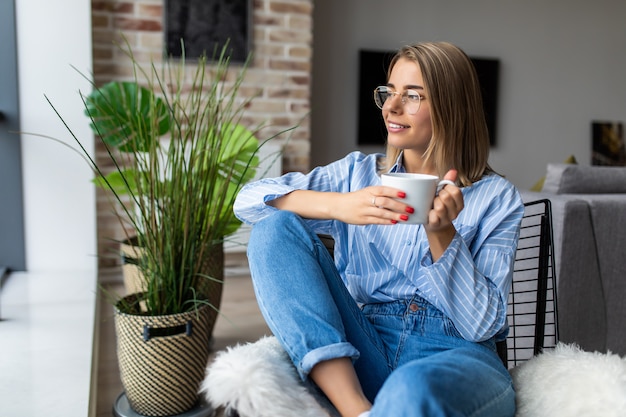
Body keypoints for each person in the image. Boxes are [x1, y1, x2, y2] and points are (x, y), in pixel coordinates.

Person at [234, 41, 524, 417]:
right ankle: (356, 410)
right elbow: (247, 202)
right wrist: (341, 205)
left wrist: (441, 234)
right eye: (389, 92)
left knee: (411, 389)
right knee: (274, 229)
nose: (391, 107)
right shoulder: (358, 174)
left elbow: (483, 325)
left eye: (413, 96)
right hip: (367, 342)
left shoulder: (496, 198)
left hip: (458, 355)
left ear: (452, 108)